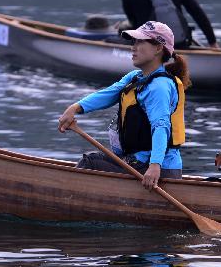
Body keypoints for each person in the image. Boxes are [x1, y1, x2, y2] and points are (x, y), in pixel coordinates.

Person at [57, 21, 189, 189]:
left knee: (90, 162)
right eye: (133, 42)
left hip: (156, 170)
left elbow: (161, 126)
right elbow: (109, 93)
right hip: (138, 163)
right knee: (94, 160)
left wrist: (155, 165)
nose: (133, 47)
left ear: (158, 48)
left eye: (141, 42)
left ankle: (65, 194)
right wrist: (75, 108)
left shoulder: (160, 87)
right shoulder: (136, 77)